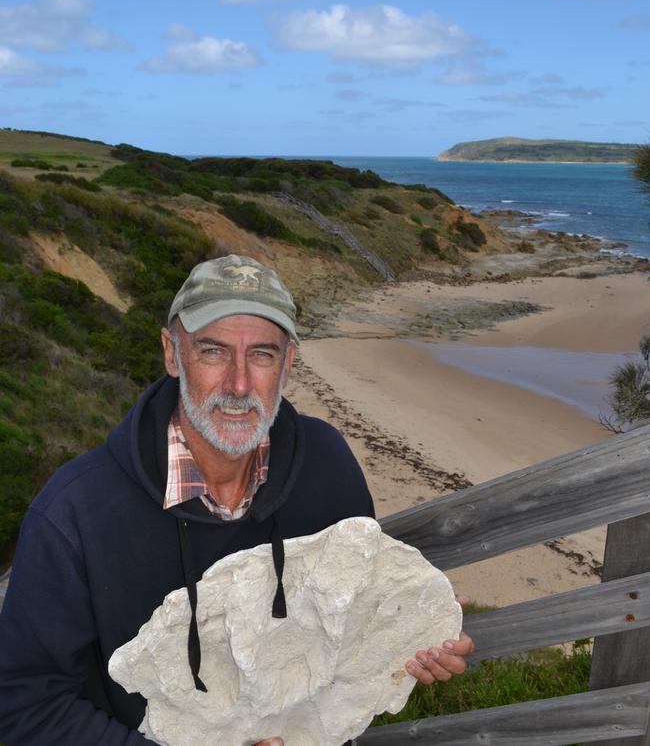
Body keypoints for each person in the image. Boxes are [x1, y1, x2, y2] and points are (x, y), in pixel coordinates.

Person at [0, 254, 473, 745]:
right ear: (172, 353)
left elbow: (350, 617)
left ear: (288, 362)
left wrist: (412, 633)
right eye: (213, 351)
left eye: (262, 355)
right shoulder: (77, 511)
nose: (239, 384)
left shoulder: (326, 464)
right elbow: (24, 703)